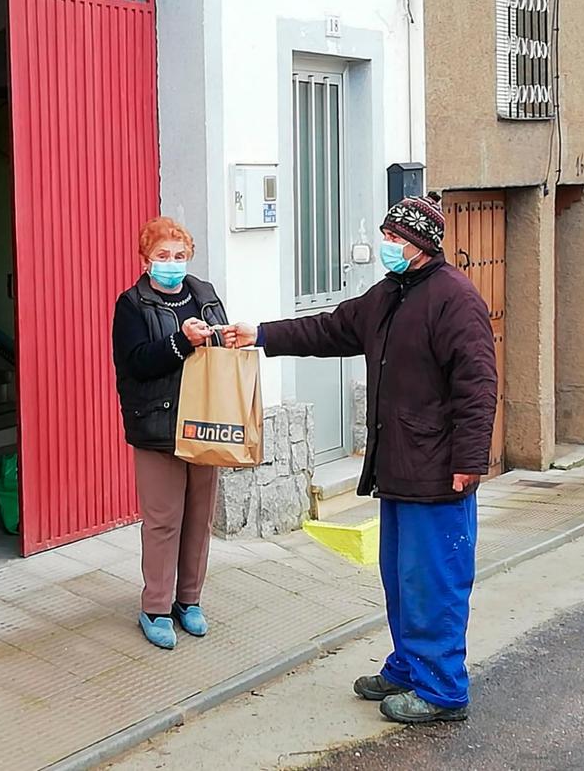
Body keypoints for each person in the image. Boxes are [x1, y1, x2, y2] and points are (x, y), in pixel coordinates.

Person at [223, 193, 497, 723]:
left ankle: (443, 690)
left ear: (420, 243)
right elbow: (329, 329)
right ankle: (408, 666)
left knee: (433, 580)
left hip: (439, 471)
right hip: (400, 464)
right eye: (387, 235)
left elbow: (478, 385)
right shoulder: (390, 294)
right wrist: (259, 336)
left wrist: (469, 461)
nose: (385, 245)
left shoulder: (454, 299)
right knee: (400, 576)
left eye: (395, 238)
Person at [112, 217, 229, 650]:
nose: (172, 264)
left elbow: (220, 349)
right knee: (163, 521)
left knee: (199, 518)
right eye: (163, 257)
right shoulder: (132, 305)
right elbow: (136, 363)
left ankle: (189, 601)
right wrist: (181, 342)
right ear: (146, 260)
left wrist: (223, 338)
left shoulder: (204, 294)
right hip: (157, 425)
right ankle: (155, 606)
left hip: (204, 421)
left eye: (179, 256)